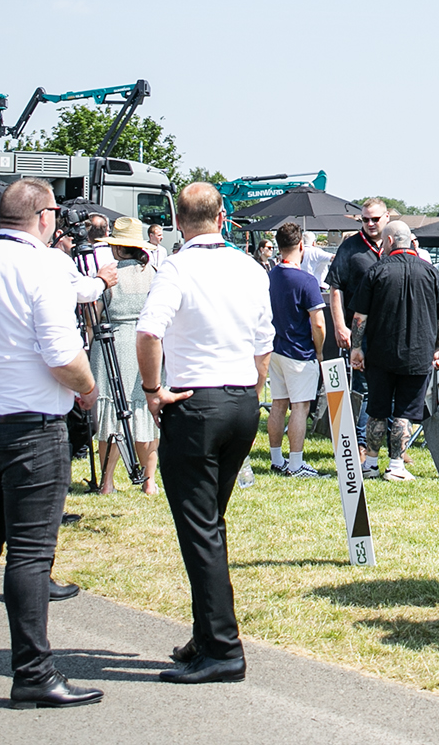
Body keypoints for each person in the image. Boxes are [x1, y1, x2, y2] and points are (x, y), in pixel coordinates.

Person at [0, 178, 103, 707]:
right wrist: (88, 388)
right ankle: (32, 669)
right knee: (30, 554)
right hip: (31, 423)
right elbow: (61, 352)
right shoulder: (44, 266)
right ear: (46, 216)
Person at [136, 182, 273, 685]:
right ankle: (207, 631)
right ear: (222, 218)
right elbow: (264, 340)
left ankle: (222, 647)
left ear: (177, 223)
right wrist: (252, 388)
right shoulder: (249, 266)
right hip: (240, 398)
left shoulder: (176, 266)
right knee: (210, 523)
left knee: (202, 529)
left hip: (196, 401)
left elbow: (149, 331)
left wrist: (153, 389)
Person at [350, 220, 439, 482]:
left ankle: (370, 464)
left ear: (388, 241)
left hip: (380, 353)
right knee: (404, 413)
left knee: (377, 410)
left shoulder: (375, 271)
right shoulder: (431, 272)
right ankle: (396, 465)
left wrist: (356, 349)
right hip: (418, 354)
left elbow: (359, 317)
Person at [92, 217, 160, 496]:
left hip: (113, 342)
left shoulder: (108, 273)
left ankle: (107, 482)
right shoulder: (154, 272)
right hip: (146, 342)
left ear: (119, 248)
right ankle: (149, 480)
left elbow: (92, 316)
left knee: (110, 416)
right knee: (145, 413)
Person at [324, 199, 390, 451]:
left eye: (375, 219)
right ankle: (361, 444)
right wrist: (340, 325)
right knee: (362, 388)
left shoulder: (394, 245)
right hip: (360, 330)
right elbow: (336, 287)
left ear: (387, 218)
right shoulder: (350, 247)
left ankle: (394, 447)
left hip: (390, 328)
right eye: (365, 219)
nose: (370, 224)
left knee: (390, 385)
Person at [265, 223, 327, 479]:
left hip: (275, 349)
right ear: (301, 246)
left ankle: (277, 459)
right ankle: (296, 463)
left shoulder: (268, 276)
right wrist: (320, 351)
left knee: (278, 405)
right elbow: (319, 323)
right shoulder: (307, 280)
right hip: (300, 352)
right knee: (300, 408)